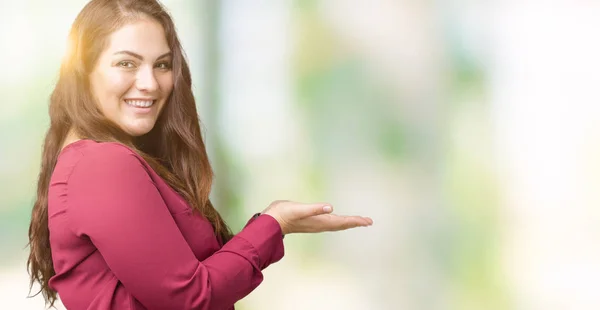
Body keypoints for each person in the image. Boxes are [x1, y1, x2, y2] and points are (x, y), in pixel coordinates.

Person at [26, 0, 373, 309]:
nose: (150, 82)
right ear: (82, 72)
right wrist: (273, 224)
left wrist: (274, 228)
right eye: (127, 64)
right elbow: (189, 297)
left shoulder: (94, 161)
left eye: (161, 65)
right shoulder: (102, 165)